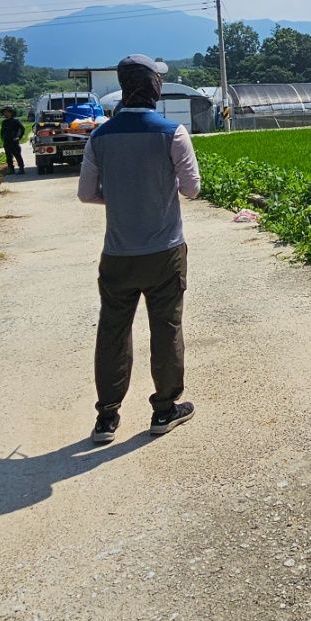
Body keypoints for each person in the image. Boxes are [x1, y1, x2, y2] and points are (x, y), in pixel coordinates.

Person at [76, 54, 201, 444]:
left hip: (117, 254)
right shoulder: (173, 132)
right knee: (166, 329)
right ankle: (164, 409)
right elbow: (191, 189)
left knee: (113, 330)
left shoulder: (100, 136)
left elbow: (86, 194)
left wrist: (120, 198)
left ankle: (107, 418)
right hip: (164, 250)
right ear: (154, 87)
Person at [0, 106, 26, 173]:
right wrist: (2, 138)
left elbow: (22, 129)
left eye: (7, 112)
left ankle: (21, 169)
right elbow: (2, 131)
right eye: (4, 112)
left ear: (11, 113)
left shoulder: (16, 121)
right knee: (8, 157)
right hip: (6, 142)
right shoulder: (4, 122)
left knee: (17, 155)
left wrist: (18, 137)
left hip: (14, 141)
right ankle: (11, 169)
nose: (5, 114)